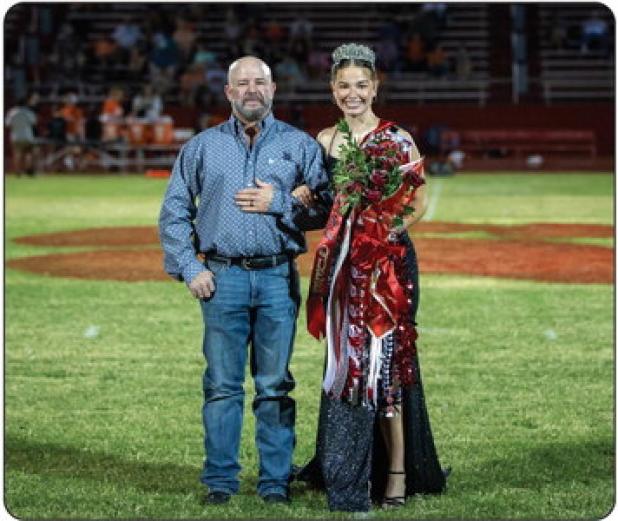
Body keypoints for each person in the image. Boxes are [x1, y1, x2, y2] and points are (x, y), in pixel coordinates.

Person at [158, 56, 331, 506]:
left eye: (260, 82)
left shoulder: (301, 146)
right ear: (229, 92)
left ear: (273, 89)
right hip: (222, 279)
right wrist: (190, 267)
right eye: (242, 83)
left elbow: (327, 210)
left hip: (278, 277)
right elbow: (174, 212)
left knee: (275, 385)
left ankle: (275, 481)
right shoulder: (200, 147)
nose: (252, 89)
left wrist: (282, 204)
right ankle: (220, 480)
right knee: (221, 385)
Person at [295, 43, 448, 511]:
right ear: (333, 90)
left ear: (375, 87)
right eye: (344, 86)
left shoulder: (397, 137)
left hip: (390, 268)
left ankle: (397, 472)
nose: (353, 93)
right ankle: (344, 463)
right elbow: (326, 206)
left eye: (362, 85)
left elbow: (417, 203)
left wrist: (382, 233)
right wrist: (304, 194)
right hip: (343, 269)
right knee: (345, 365)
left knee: (387, 367)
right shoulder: (324, 141)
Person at [5, 95, 38, 176]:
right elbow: (34, 122)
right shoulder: (28, 112)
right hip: (27, 136)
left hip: (15, 136)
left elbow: (7, 124)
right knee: (28, 153)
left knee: (17, 154)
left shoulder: (11, 112)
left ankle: (17, 171)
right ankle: (28, 169)